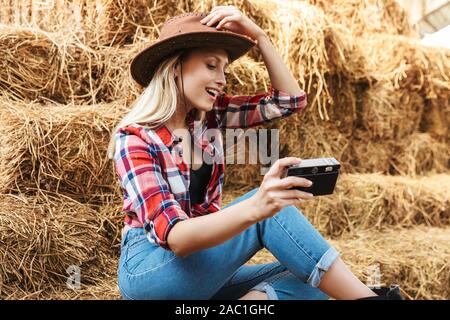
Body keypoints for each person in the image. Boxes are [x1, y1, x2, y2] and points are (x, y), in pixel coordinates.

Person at [107, 6, 403, 300]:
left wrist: (260, 37)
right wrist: (258, 207)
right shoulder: (134, 138)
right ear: (175, 68)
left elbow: (288, 102)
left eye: (224, 68)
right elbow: (177, 238)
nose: (222, 78)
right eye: (211, 65)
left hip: (198, 267)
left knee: (311, 279)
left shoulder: (210, 117)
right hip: (150, 272)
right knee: (270, 208)